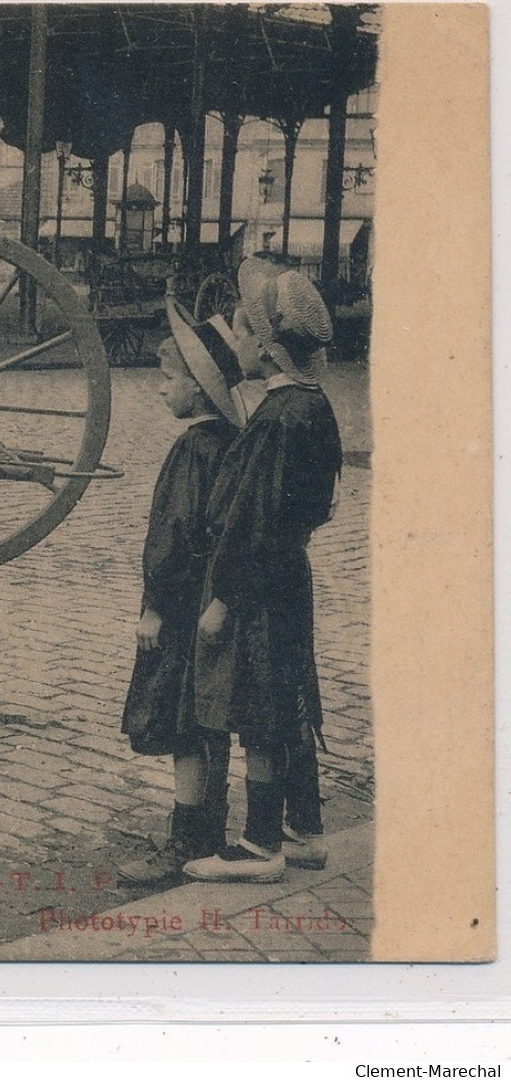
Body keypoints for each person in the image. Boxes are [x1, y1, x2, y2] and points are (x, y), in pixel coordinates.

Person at [184, 260, 342, 883]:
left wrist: (223, 598)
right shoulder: (313, 404)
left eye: (245, 333)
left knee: (261, 708)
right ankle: (304, 830)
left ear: (267, 348)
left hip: (260, 585)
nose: (238, 342)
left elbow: (254, 522)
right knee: (293, 693)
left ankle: (258, 846)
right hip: (290, 576)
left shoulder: (275, 420)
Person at [116, 308, 257, 885]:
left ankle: (185, 842)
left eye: (169, 380)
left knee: (181, 719)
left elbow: (171, 536)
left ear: (198, 391)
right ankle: (208, 831)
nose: (160, 388)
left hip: (182, 607)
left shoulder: (192, 450)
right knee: (209, 716)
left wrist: (152, 606)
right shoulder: (232, 441)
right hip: (214, 601)